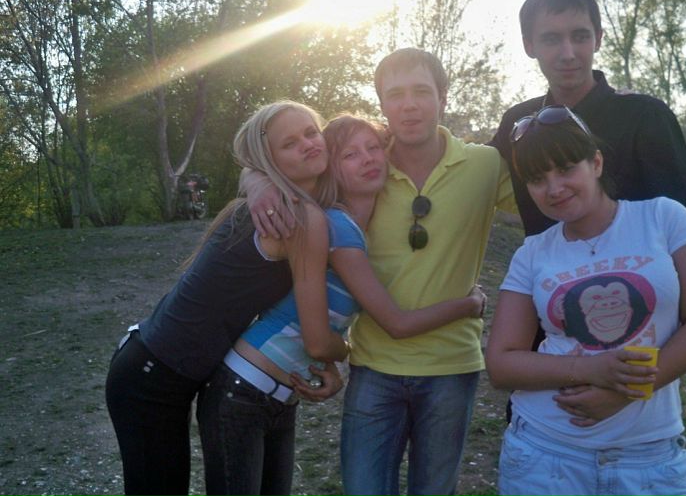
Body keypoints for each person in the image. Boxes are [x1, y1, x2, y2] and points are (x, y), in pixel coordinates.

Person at [246, 48, 516, 496]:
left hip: (451, 368)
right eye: (396, 95)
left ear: (443, 97)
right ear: (382, 104)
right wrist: (255, 182)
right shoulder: (365, 165)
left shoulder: (484, 165)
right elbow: (287, 162)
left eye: (421, 92)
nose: (409, 105)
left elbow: (554, 194)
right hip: (374, 366)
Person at [196, 114, 486, 496]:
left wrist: (327, 362)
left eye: (373, 148)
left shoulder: (354, 228)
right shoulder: (338, 227)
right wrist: (469, 304)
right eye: (350, 154)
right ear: (332, 167)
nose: (367, 159)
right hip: (243, 386)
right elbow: (395, 324)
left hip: (273, 392)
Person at [488, 0, 686, 421]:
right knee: (539, 429)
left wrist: (632, 385)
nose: (568, 52)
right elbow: (467, 167)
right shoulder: (519, 124)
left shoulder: (645, 117)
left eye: (580, 35)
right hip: (547, 334)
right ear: (529, 45)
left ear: (599, 38)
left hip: (634, 339)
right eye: (551, 39)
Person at [105, 100, 352, 496]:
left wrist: (255, 179)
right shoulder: (293, 216)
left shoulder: (286, 206)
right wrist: (347, 353)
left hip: (160, 364)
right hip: (151, 377)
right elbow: (316, 335)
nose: (308, 144)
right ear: (269, 162)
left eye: (311, 132)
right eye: (289, 143)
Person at [484, 105, 686, 496]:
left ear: (595, 163)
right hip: (545, 457)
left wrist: (626, 390)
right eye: (537, 179)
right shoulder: (532, 253)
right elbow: (501, 363)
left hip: (650, 461)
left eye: (566, 169)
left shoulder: (664, 218)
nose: (554, 188)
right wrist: (591, 369)